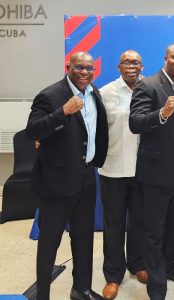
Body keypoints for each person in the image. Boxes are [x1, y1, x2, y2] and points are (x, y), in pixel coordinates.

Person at [26, 52, 108, 300]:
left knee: (83, 238)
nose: (85, 72)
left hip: (86, 177)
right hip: (56, 182)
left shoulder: (94, 91)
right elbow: (32, 131)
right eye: (79, 67)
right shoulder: (51, 95)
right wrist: (63, 111)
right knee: (50, 241)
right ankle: (43, 296)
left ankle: (80, 289)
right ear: (68, 67)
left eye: (89, 68)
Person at [129, 43, 174, 300]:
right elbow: (135, 123)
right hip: (156, 171)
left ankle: (170, 266)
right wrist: (163, 113)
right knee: (154, 230)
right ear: (165, 58)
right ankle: (157, 286)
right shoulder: (148, 84)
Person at [98, 50, 147, 300]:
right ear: (118, 66)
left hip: (142, 170)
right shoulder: (105, 92)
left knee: (139, 221)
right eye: (126, 62)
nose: (131, 66)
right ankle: (113, 275)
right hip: (112, 168)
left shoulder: (150, 89)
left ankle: (138, 264)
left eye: (135, 62)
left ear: (142, 66)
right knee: (114, 224)